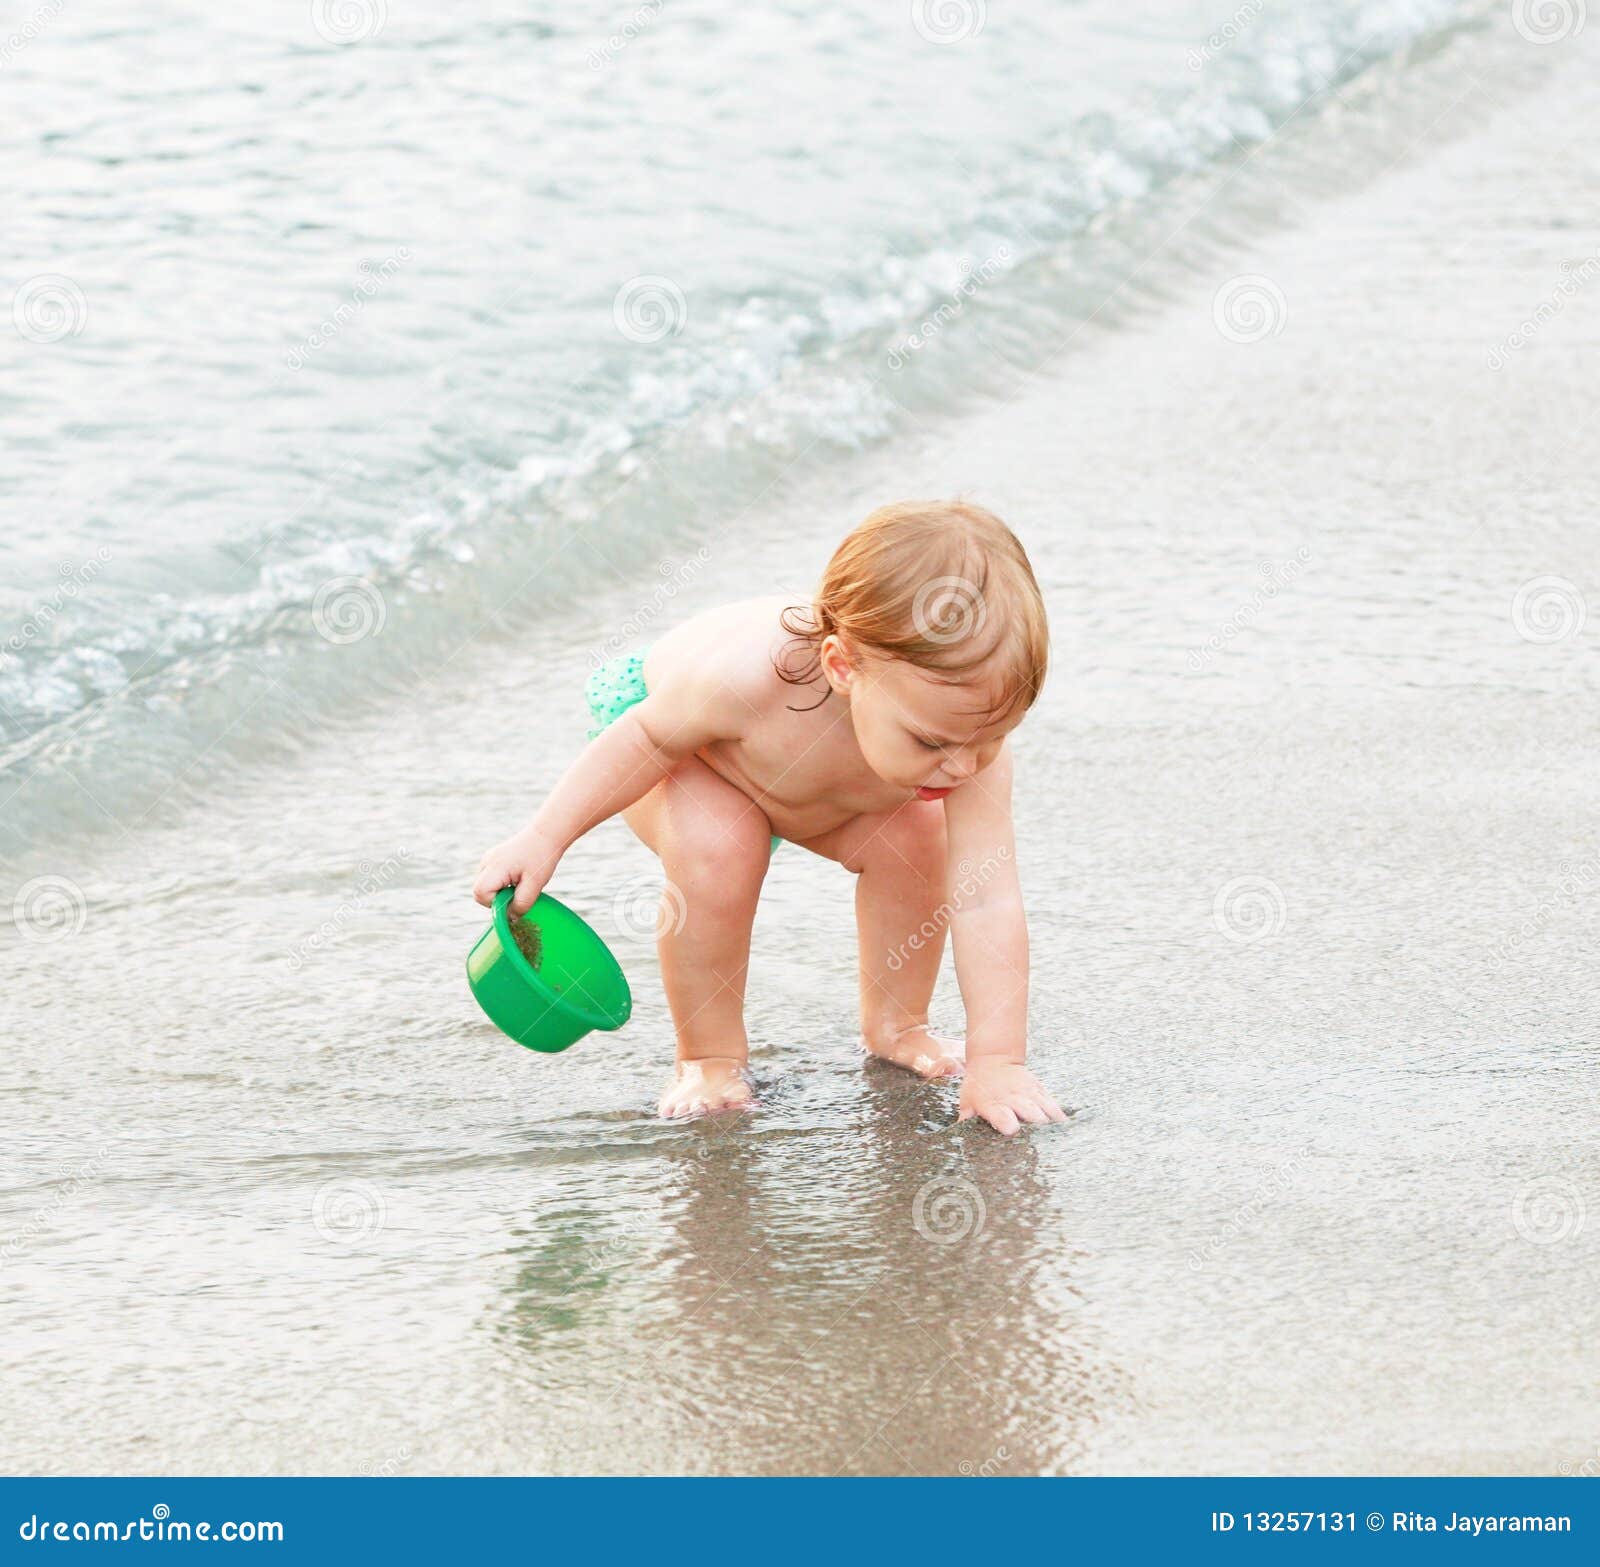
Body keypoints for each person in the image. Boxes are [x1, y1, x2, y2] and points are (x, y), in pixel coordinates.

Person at [474, 499, 1065, 1135]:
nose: (961, 766)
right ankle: (708, 1057)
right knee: (722, 844)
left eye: (989, 738)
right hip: (689, 750)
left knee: (921, 834)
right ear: (842, 667)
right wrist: (544, 837)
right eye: (931, 743)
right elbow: (644, 740)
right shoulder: (744, 678)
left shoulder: (959, 737)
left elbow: (987, 901)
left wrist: (998, 1061)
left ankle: (898, 1025)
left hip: (823, 796)